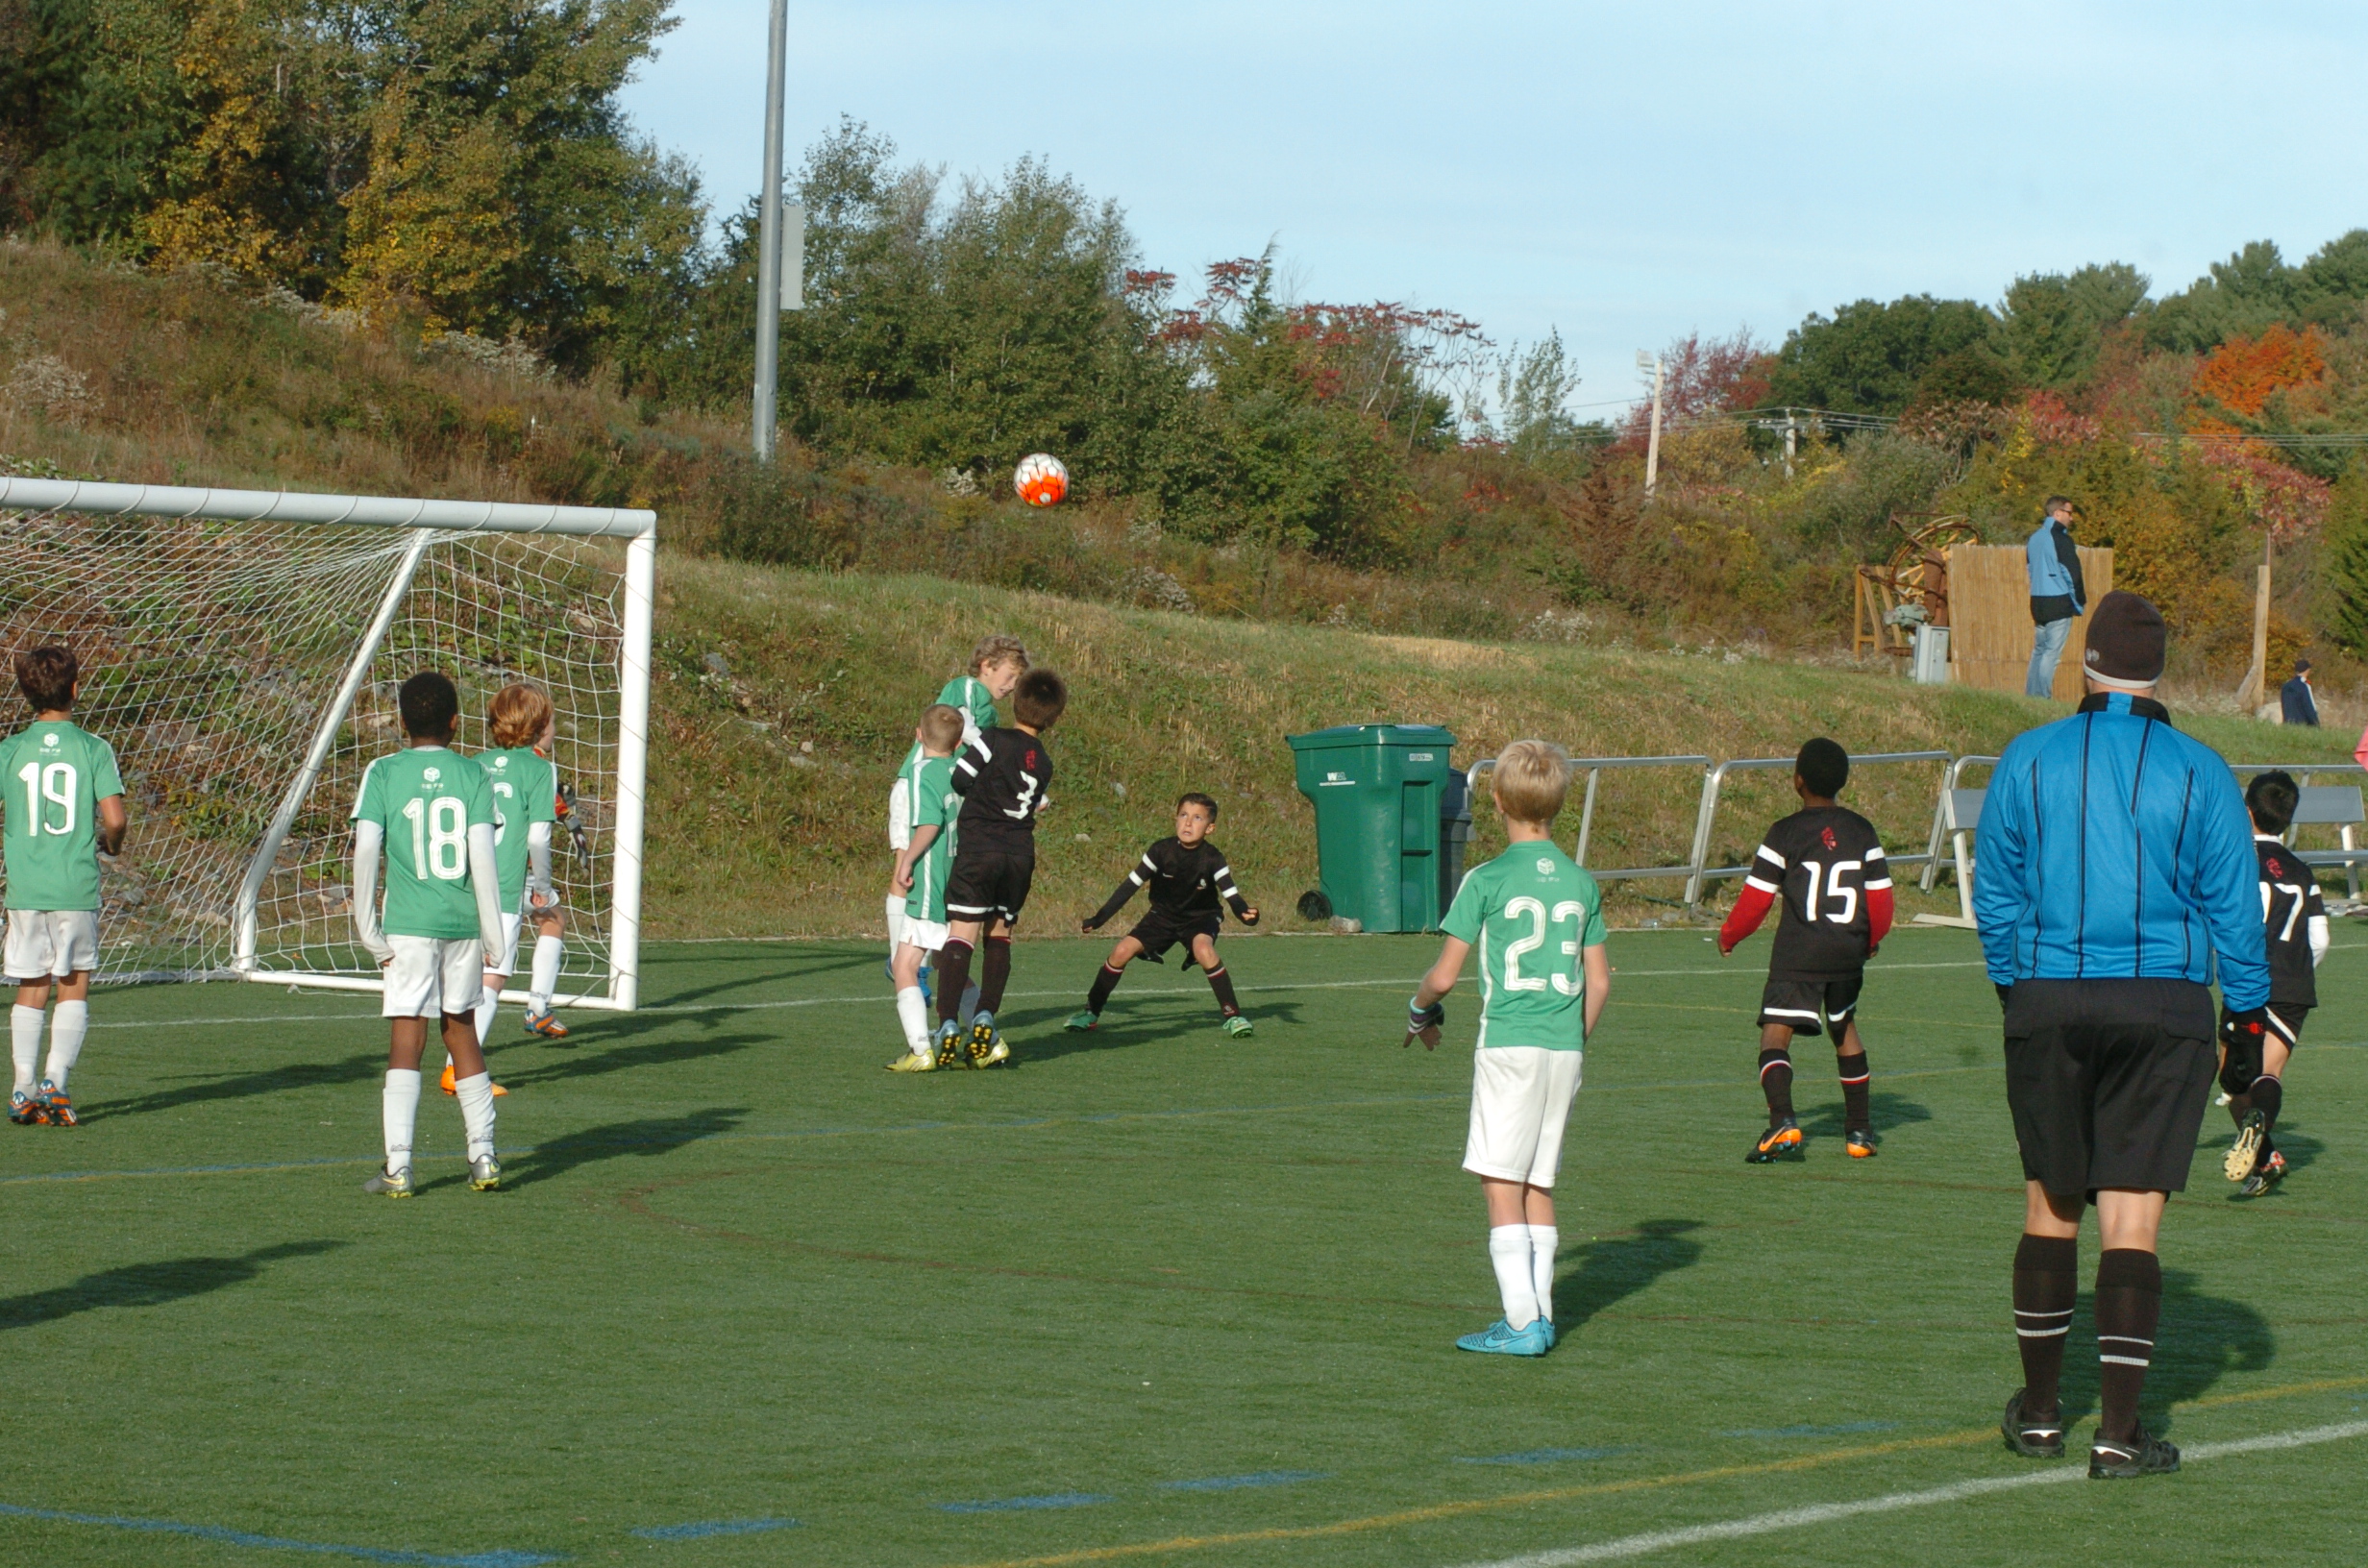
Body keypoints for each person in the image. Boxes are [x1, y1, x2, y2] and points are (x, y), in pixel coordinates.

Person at [1975, 590, 2267, 1480]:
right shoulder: (2202, 769)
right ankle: (2119, 1433)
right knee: (2131, 1222)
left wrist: (2016, 989)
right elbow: (2235, 910)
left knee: (2050, 1206)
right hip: (2163, 1007)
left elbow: (1996, 893)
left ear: (2087, 662)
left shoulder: (2027, 756)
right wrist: (2247, 1021)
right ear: (2161, 672)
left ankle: (2038, 1416)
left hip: (2049, 998)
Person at [1404, 741, 1610, 1358]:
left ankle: (1521, 1322)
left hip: (1510, 1046)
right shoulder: (1581, 881)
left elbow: (1444, 977)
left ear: (1494, 800)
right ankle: (1541, 1315)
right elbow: (1599, 982)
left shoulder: (1487, 878)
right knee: (1538, 1182)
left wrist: (1418, 1008)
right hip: (1564, 1048)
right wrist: (1570, 1040)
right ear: (1560, 803)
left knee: (1500, 1180)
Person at [352, 672, 508, 1196]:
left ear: (402, 721)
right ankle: (483, 1156)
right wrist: (494, 935)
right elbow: (482, 860)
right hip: (462, 923)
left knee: (407, 1035)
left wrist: (367, 929)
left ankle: (398, 1166)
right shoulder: (473, 774)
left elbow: (366, 851)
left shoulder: (383, 772)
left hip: (407, 928)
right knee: (461, 1030)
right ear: (455, 722)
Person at [1716, 738, 1893, 1163]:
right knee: (1843, 1026)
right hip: (1847, 953)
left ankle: (1782, 1120)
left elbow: (1756, 901)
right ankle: (1860, 1132)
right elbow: (1882, 901)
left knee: (1775, 1032)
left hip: (1800, 954)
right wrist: (1870, 940)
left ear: (1798, 781)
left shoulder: (1784, 832)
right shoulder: (1862, 830)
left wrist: (1730, 935)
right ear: (1842, 782)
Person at [1, 647, 126, 1128]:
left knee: (31, 984)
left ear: (25, 692)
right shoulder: (93, 748)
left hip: (26, 887)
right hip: (74, 885)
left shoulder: (10, 750)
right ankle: (55, 1081)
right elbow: (115, 819)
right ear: (75, 688)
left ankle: (22, 1087)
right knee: (73, 981)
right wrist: (112, 844)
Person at [930, 668, 1067, 1068]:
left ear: (1015, 701)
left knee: (962, 935)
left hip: (980, 850)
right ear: (1054, 718)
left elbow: (960, 779)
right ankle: (986, 1014)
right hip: (1019, 856)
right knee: (1000, 935)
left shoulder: (991, 740)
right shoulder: (1044, 762)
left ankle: (948, 1022)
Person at [887, 636, 1028, 999]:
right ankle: (900, 958)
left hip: (950, 794)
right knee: (905, 864)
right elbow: (963, 727)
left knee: (937, 872)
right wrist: (1002, 762)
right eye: (1009, 675)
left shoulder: (991, 715)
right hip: (920, 786)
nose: (1011, 685)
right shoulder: (966, 687)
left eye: (1016, 680)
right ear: (986, 666)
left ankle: (921, 958)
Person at [454, 682, 567, 1101]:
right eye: (552, 722)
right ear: (540, 727)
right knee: (493, 973)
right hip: (506, 882)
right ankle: (459, 1071)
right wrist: (542, 885)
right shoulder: (539, 769)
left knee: (553, 919)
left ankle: (539, 1007)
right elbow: (538, 838)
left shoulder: (473, 764)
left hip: (465, 879)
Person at [1068, 793, 1260, 1038]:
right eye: (1183, 815)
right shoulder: (1160, 851)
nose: (1188, 823)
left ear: (1210, 828)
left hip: (1201, 917)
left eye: (1197, 818)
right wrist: (1099, 918)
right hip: (1161, 917)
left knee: (1204, 950)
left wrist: (1244, 913)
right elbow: (1129, 887)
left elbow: (1231, 894)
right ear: (1175, 819)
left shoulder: (1213, 858)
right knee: (1121, 951)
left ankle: (1234, 1016)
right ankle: (1091, 1013)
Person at [2220, 771, 2327, 1197]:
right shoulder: (2302, 871)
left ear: (2247, 811)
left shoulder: (2237, 861)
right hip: (2293, 988)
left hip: (2247, 980)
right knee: (2269, 1073)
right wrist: (2296, 971)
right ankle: (2263, 1135)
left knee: (2233, 1079)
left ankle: (2265, 1157)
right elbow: (2319, 940)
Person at [884, 703, 964, 1072]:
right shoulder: (963, 770)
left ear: (919, 736)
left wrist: (907, 861)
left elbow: (929, 823)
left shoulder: (920, 771)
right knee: (949, 961)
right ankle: (989, 1034)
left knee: (904, 965)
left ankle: (920, 1049)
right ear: (959, 742)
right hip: (959, 879)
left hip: (931, 881)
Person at [2024, 496, 2086, 699]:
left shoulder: (2034, 538)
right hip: (2058, 601)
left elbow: (2030, 569)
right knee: (2051, 653)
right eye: (2069, 513)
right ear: (2058, 513)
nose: (2071, 518)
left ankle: (2031, 695)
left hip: (2037, 601)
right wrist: (2079, 601)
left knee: (2038, 651)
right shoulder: (2061, 539)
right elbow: (2072, 574)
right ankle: (2043, 697)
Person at [2279, 658, 2319, 727]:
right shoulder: (2304, 686)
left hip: (2287, 725)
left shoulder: (2286, 686)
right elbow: (2309, 707)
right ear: (2307, 670)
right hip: (2303, 726)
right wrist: (2316, 724)